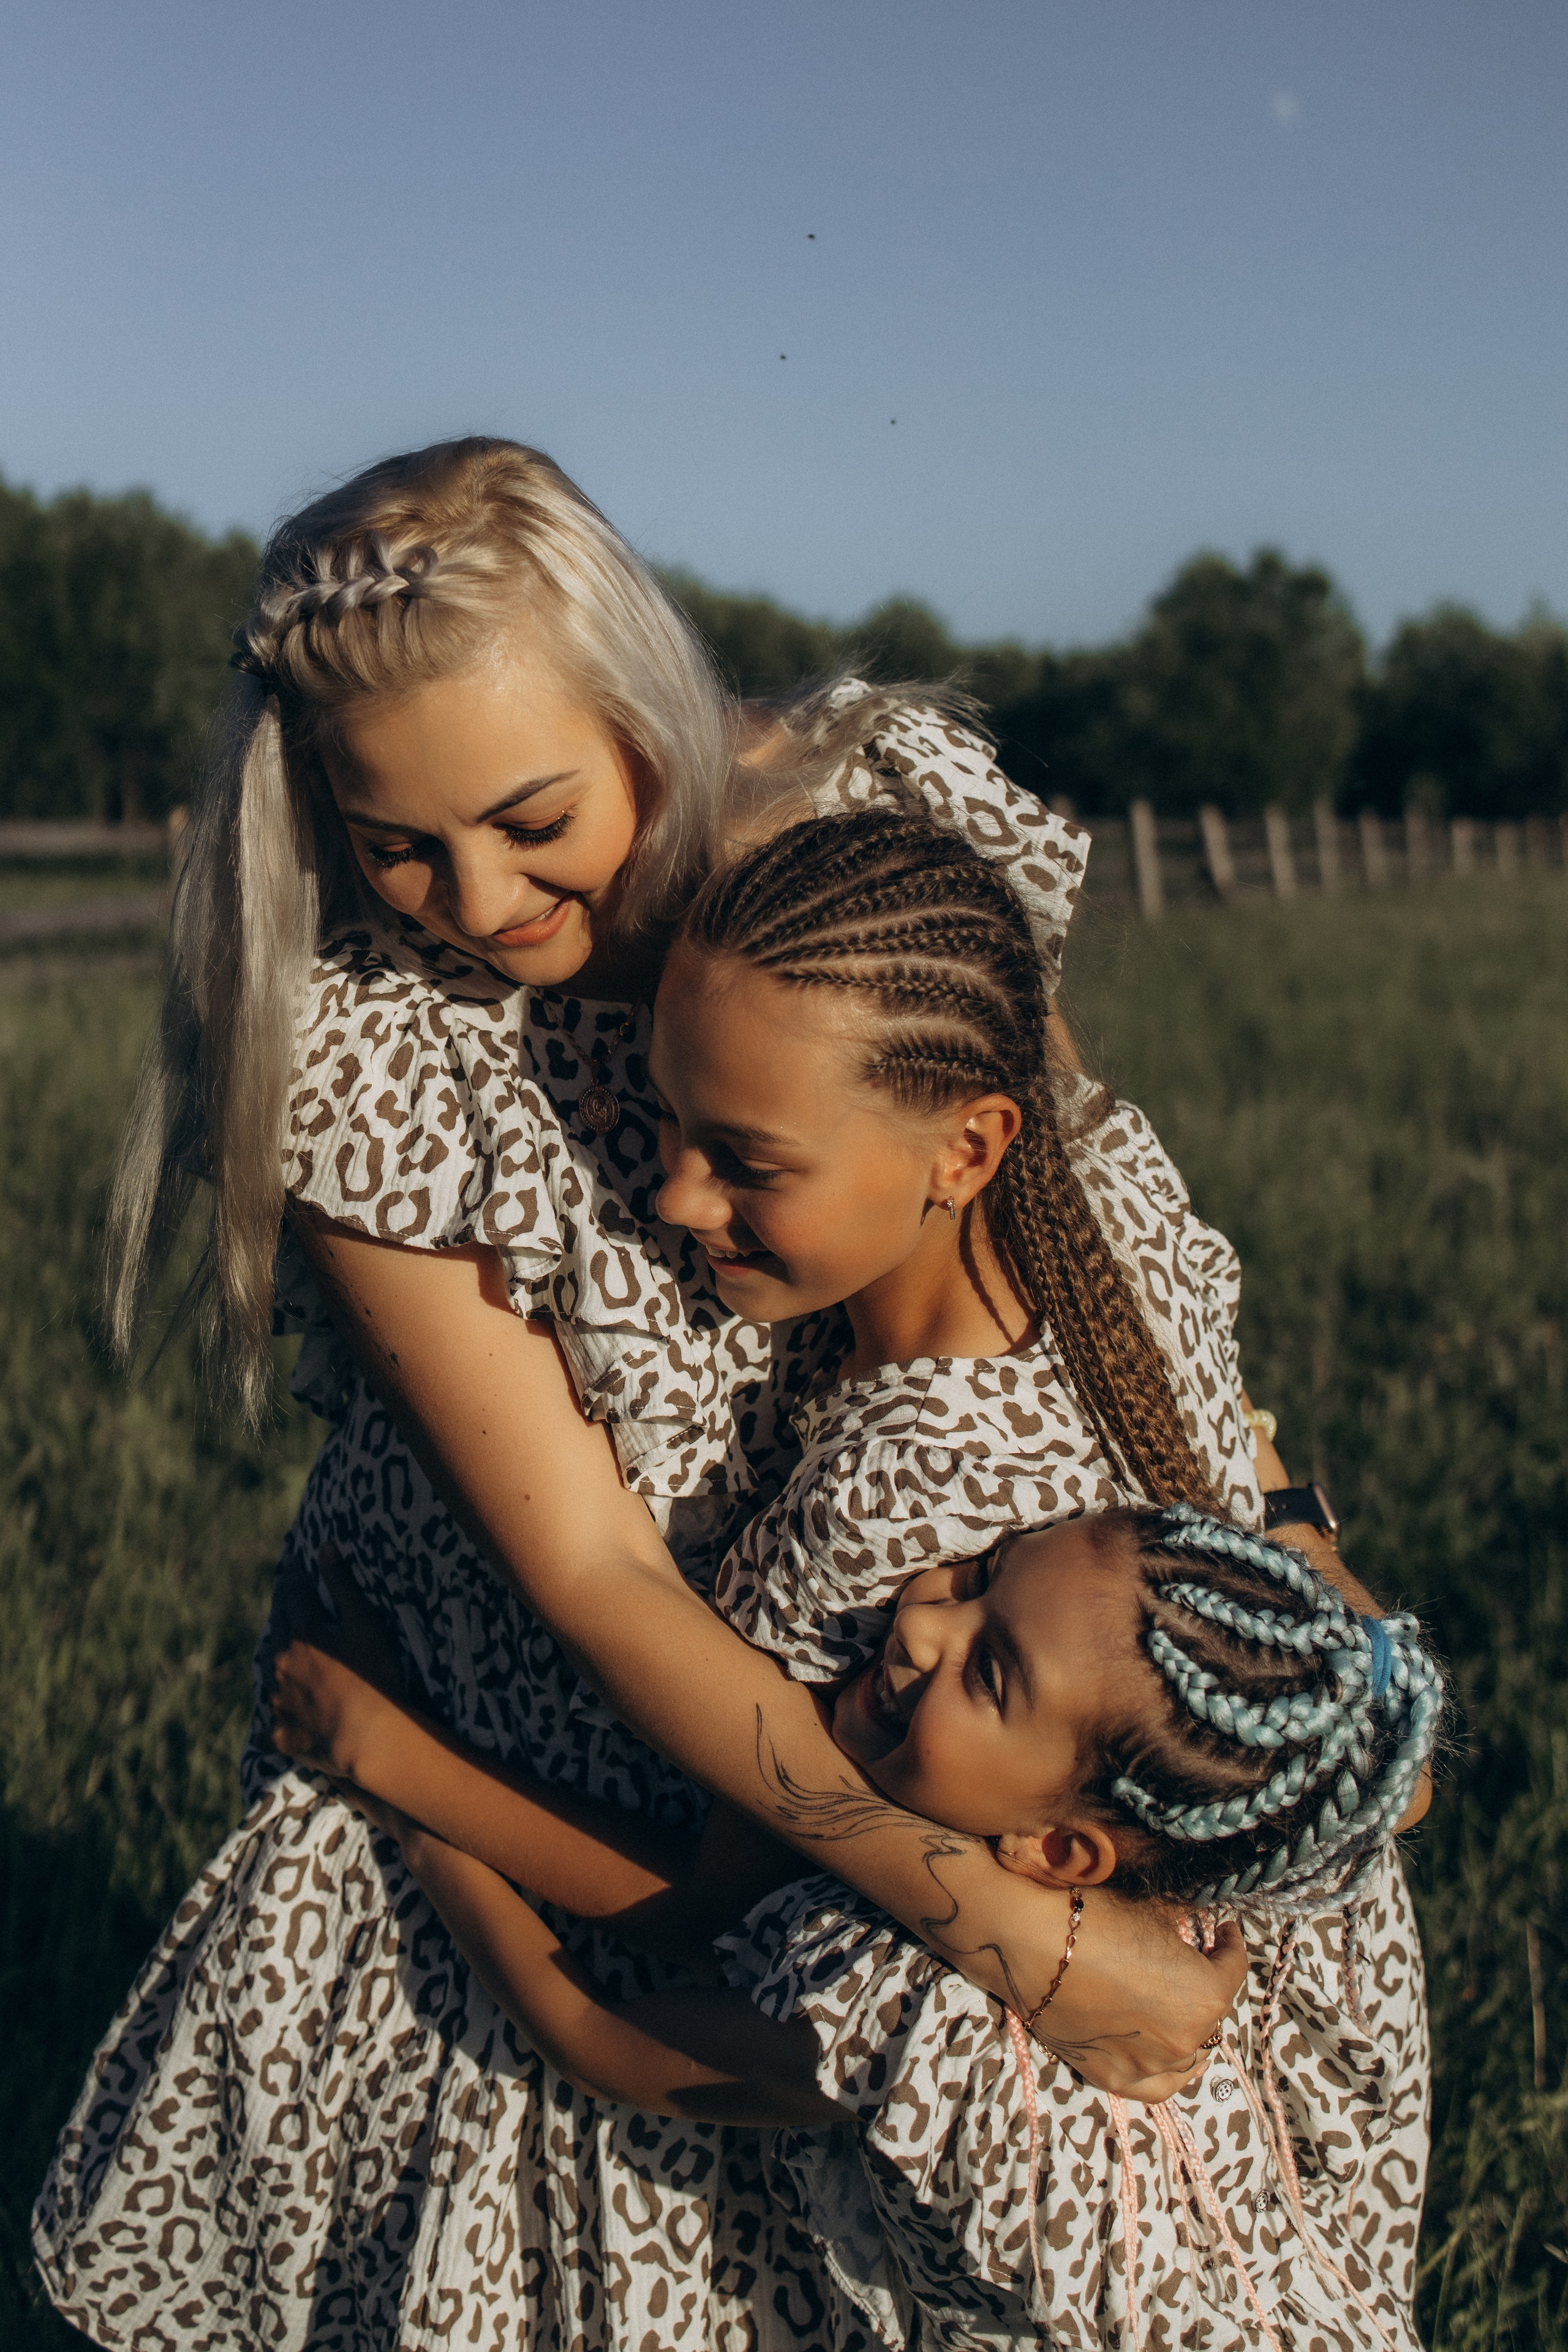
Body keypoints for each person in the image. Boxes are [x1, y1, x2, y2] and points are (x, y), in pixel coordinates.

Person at [34, 438, 1243, 2352]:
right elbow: (600, 1578)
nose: (479, 896)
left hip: (887, 1690)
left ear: (639, 705)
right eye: (395, 841)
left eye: (532, 814)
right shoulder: (371, 1050)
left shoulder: (845, 838)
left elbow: (1077, 1206)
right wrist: (992, 1927)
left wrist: (1289, 1550)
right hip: (551, 1748)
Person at [266, 809, 1440, 2347]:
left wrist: (389, 1764)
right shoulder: (1109, 1197)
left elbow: (709, 1902)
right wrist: (1301, 1528)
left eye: (746, 1161)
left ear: (965, 1147)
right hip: (1289, 2139)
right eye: (668, 1129)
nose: (677, 1199)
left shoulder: (895, 1515)